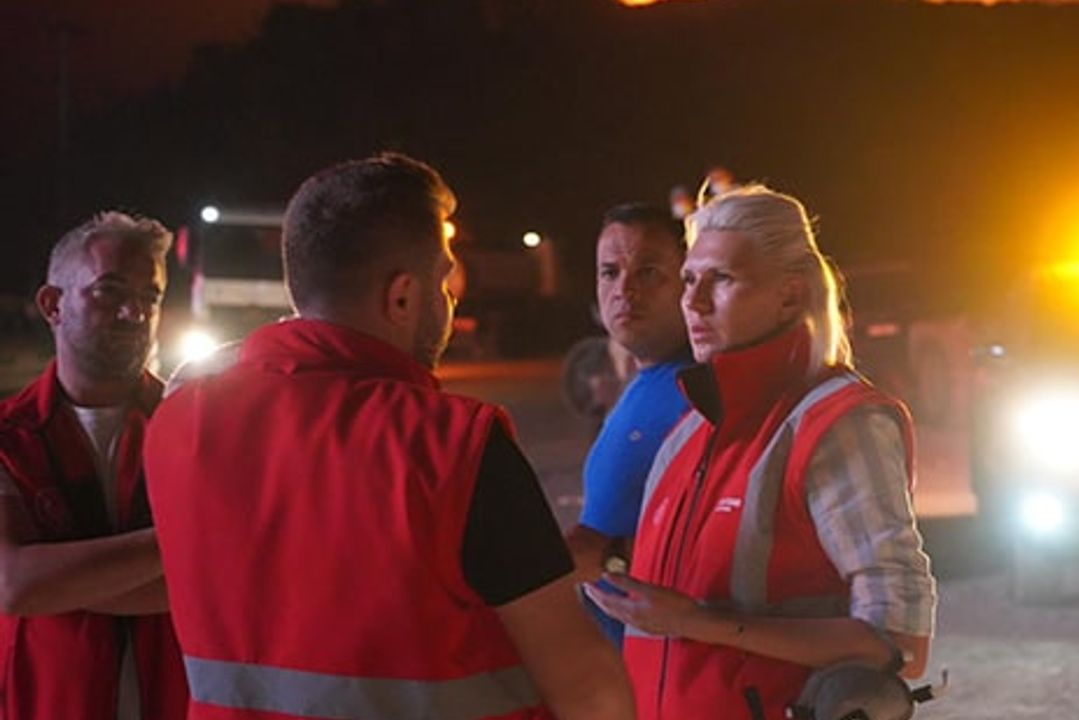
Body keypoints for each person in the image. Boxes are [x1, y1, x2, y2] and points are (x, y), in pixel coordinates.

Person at [144, 153, 634, 720]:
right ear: (401, 297)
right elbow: (587, 688)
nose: (451, 299)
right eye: (442, 279)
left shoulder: (178, 424)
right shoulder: (454, 444)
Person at [586, 185, 937, 719]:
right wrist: (609, 555)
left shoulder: (837, 422)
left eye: (722, 280)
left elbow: (899, 640)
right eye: (689, 280)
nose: (694, 302)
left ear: (790, 297)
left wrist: (697, 623)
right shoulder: (692, 428)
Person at [0, 212, 188, 720]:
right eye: (110, 291)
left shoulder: (194, 427)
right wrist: (187, 539)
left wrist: (62, 580)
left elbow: (228, 577)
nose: (135, 312)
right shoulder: (9, 437)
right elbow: (14, 585)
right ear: (52, 304)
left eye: (150, 296)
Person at [565, 203, 692, 646]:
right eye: (609, 272)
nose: (624, 290)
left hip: (670, 665)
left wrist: (611, 558)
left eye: (648, 273)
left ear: (688, 282)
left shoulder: (701, 392)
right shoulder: (645, 383)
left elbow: (728, 540)